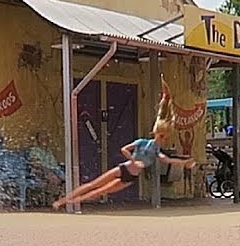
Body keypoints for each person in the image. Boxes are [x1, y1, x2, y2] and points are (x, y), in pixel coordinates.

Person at [53, 76, 196, 210]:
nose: (163, 139)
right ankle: (64, 200)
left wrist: (184, 162)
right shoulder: (142, 142)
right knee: (93, 184)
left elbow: (169, 160)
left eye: (164, 137)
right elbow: (124, 149)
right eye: (162, 136)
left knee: (101, 191)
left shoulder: (156, 151)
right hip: (125, 168)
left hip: (131, 177)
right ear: (157, 134)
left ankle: (72, 201)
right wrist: (134, 161)